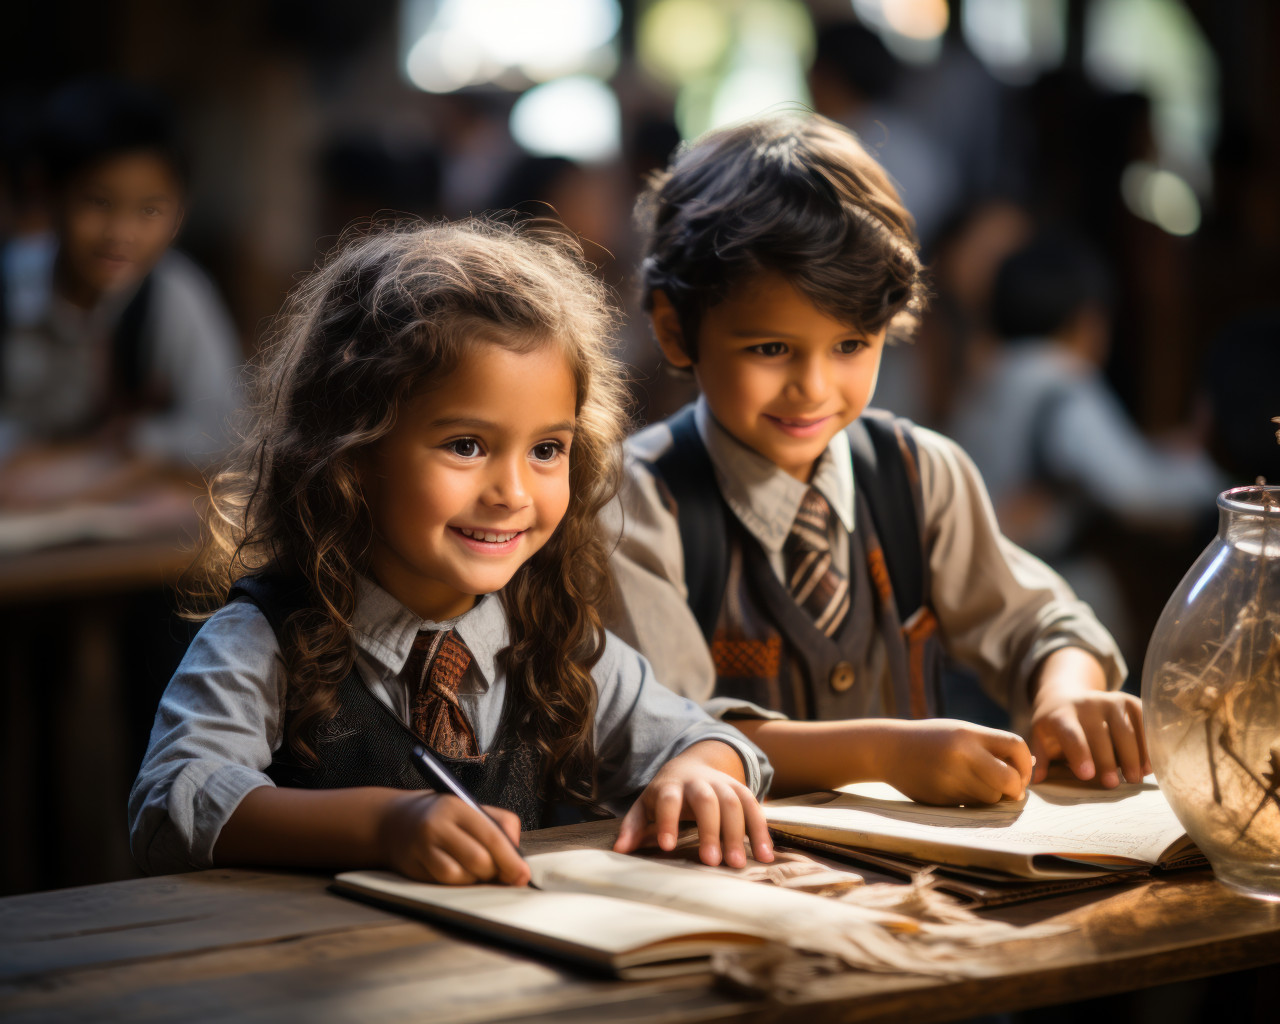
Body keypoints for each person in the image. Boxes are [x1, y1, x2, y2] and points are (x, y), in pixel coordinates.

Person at [129, 218, 774, 886]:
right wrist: (384, 827)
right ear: (350, 454)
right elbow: (170, 803)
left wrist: (701, 770)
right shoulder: (264, 638)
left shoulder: (555, 642)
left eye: (547, 449)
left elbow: (704, 737)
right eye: (466, 445)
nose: (513, 492)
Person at [605, 114, 1147, 805]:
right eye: (770, 349)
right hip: (726, 880)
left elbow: (1040, 624)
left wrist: (1066, 693)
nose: (814, 388)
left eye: (850, 345)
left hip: (907, 894)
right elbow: (668, 732)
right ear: (675, 329)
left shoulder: (921, 476)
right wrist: (882, 753)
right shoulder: (636, 502)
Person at [0, 79, 240, 496]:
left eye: (149, 209)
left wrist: (137, 442)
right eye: (97, 203)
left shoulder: (175, 295)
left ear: (178, 215)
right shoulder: (9, 285)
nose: (121, 233)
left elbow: (223, 431)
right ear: (48, 194)